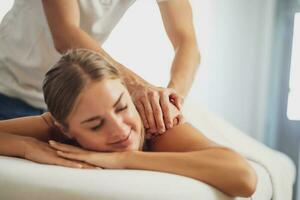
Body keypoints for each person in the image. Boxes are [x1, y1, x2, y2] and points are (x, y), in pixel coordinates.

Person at [0, 49, 256, 198]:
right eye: (95, 125)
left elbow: (244, 177)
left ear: (128, 93)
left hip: (213, 126)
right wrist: (27, 146)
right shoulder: (54, 128)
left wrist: (123, 159)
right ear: (65, 128)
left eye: (122, 107)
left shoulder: (157, 124)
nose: (120, 129)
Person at [0, 0, 200, 136]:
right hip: (7, 86)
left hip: (69, 105)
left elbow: (186, 41)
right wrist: (138, 87)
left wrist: (170, 100)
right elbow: (65, 33)